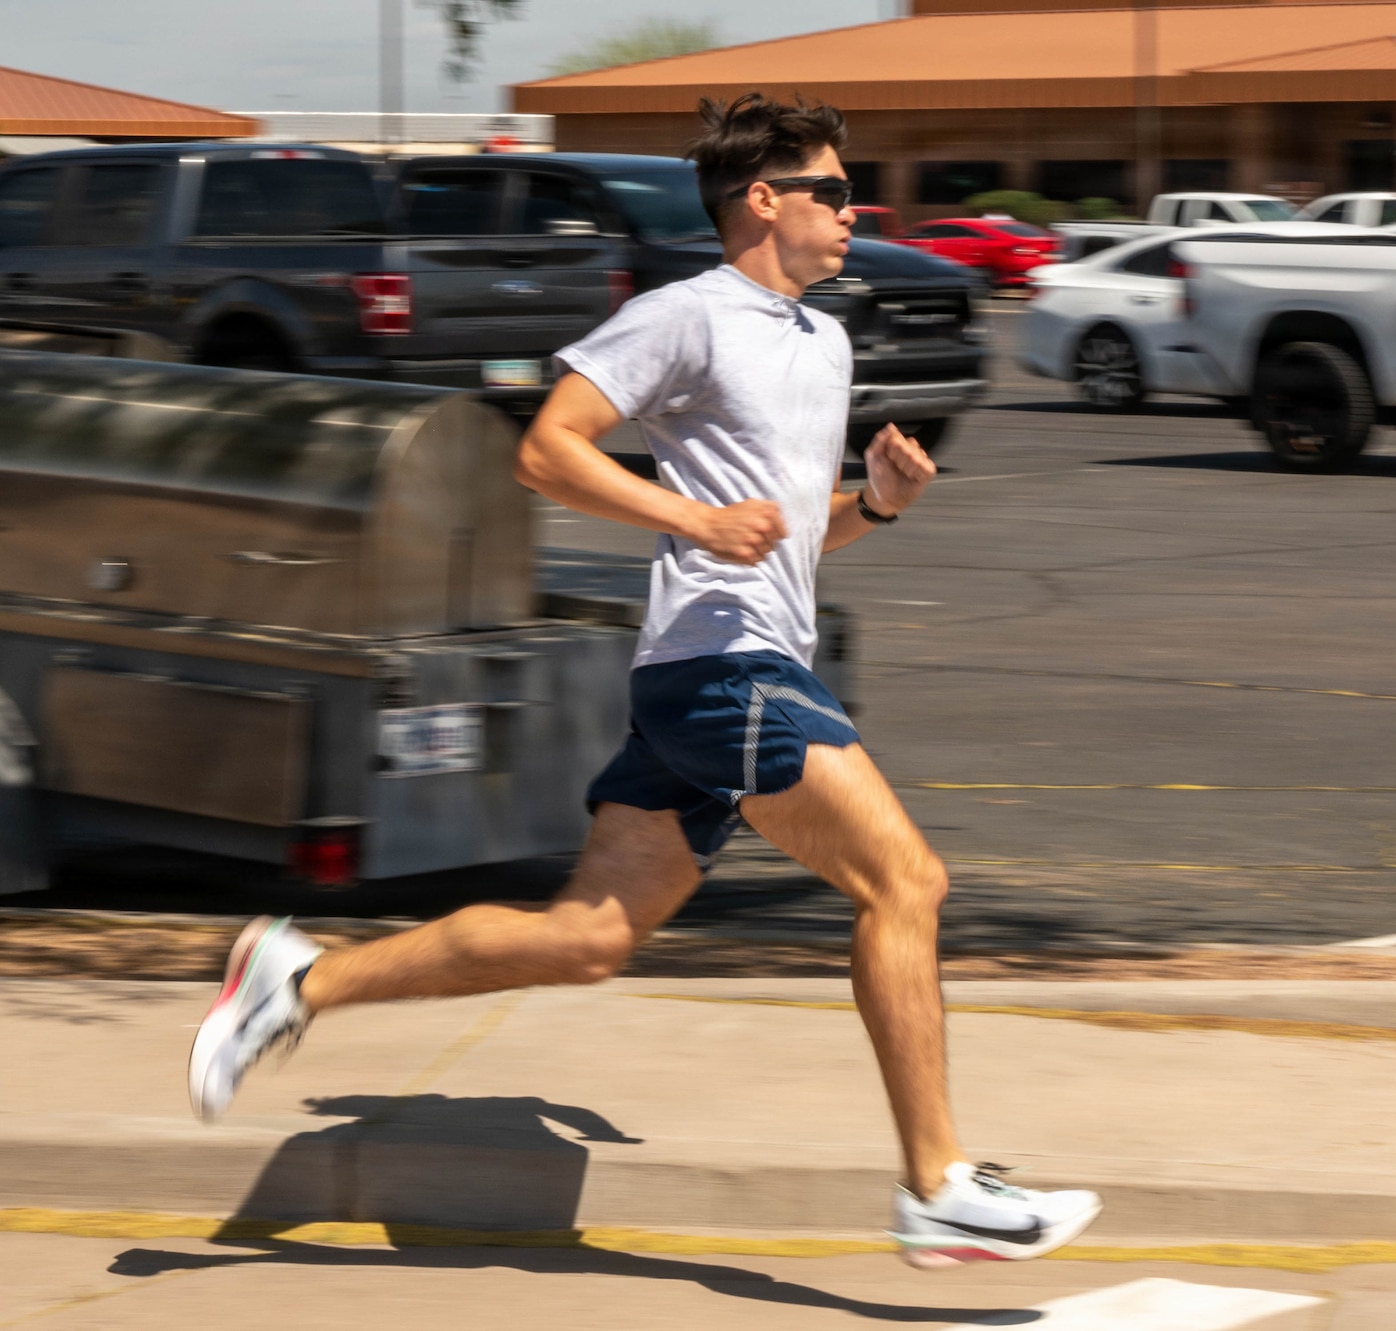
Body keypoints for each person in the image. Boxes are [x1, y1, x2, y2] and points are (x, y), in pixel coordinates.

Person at [186, 91, 1101, 1269]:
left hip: (722, 664)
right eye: (830, 187)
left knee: (584, 938)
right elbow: (546, 445)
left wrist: (872, 502)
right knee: (905, 882)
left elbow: (783, 535)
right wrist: (684, 515)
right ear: (763, 201)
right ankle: (935, 1185)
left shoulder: (820, 340)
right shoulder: (688, 316)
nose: (851, 206)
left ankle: (297, 979)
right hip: (725, 665)